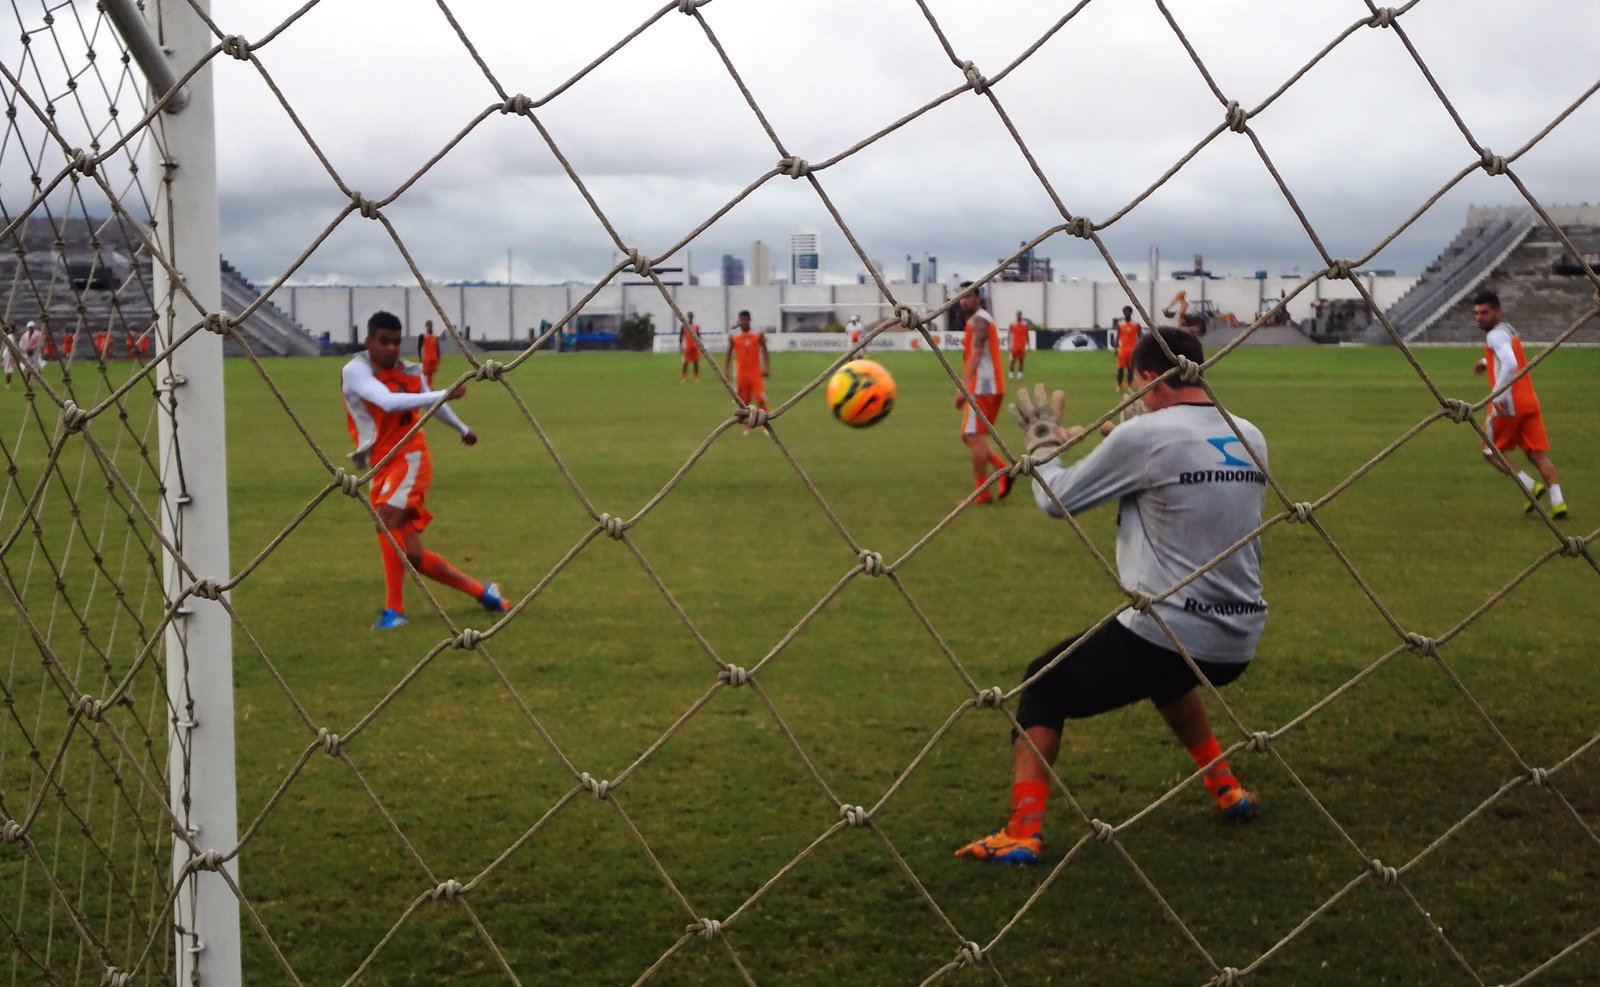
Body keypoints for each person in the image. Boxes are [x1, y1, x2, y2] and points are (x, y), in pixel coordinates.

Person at [956, 327, 1267, 865]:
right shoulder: (1250, 434)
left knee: (1042, 685)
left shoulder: (1145, 437)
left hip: (1173, 630)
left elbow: (1057, 500)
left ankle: (1022, 833)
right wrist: (1125, 441)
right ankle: (1226, 789)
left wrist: (1044, 445)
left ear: (1146, 378)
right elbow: (1183, 485)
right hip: (1238, 636)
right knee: (1169, 679)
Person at [343, 310, 510, 630]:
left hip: (410, 457)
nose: (391, 348)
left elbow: (430, 405)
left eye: (396, 342)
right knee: (413, 556)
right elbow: (387, 401)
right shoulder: (355, 370)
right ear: (368, 342)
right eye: (384, 341)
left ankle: (394, 612)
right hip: (381, 463)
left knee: (386, 518)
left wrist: (461, 428)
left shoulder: (410, 371)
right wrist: (443, 393)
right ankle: (484, 591)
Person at [1471, 290, 1567, 519]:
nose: (1479, 317)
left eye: (1484, 312)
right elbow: (1508, 356)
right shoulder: (1508, 330)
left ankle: (1530, 486)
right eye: (1476, 313)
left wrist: (1497, 396)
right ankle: (1558, 502)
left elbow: (1510, 363)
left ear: (1497, 312)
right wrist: (1486, 361)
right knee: (1536, 455)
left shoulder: (1494, 335)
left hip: (1508, 405)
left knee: (1489, 451)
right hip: (1529, 401)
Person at [956, 282, 1010, 504]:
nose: (963, 301)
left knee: (971, 435)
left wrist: (963, 386)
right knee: (968, 435)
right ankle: (1002, 469)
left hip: (982, 387)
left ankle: (982, 492)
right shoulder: (978, 320)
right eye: (961, 297)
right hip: (988, 386)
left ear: (979, 298)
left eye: (968, 296)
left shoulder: (979, 320)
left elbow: (977, 354)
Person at [723, 310, 769, 435]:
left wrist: (766, 367)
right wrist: (726, 370)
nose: (744, 322)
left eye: (746, 320)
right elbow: (728, 352)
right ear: (739, 321)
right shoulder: (734, 338)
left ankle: (765, 427)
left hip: (756, 374)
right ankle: (746, 428)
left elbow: (765, 350)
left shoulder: (757, 336)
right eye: (742, 320)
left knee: (761, 400)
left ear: (750, 320)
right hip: (741, 375)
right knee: (744, 403)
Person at [1115, 306, 1141, 394]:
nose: (1127, 313)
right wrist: (1116, 348)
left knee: (1131, 369)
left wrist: (1140, 348)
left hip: (1132, 350)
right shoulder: (1120, 324)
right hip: (1122, 350)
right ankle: (1119, 386)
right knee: (1120, 369)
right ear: (1123, 313)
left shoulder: (1136, 324)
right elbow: (1117, 336)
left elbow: (1140, 337)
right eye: (1125, 312)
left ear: (1131, 312)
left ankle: (1129, 386)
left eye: (1128, 311)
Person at [417, 319, 442, 387]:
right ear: (425, 326)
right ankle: (423, 387)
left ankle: (429, 387)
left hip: (433, 357)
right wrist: (420, 356)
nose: (429, 326)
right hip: (426, 357)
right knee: (425, 373)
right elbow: (419, 347)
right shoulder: (422, 335)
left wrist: (438, 357)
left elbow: (437, 347)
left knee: (431, 373)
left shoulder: (434, 335)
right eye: (428, 325)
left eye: (430, 325)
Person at [679, 311, 702, 382]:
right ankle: (683, 378)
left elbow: (699, 337)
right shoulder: (683, 326)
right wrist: (680, 346)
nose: (690, 318)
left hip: (695, 347)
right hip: (687, 347)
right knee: (685, 363)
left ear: (693, 317)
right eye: (689, 316)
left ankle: (696, 377)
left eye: (691, 316)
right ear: (687, 317)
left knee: (696, 363)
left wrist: (700, 345)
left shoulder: (696, 327)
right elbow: (680, 337)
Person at [1007, 311, 1029, 380]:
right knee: (1012, 360)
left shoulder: (1025, 324)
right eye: (1017, 315)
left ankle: (1020, 375)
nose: (1018, 316)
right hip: (1014, 346)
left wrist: (1028, 344)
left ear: (1021, 315)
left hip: (1022, 345)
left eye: (1019, 315)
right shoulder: (1012, 324)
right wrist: (1008, 345)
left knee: (1021, 360)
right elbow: (1009, 334)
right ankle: (1011, 374)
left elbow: (1027, 335)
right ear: (1016, 315)